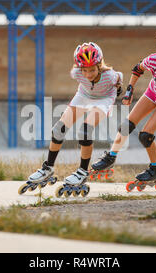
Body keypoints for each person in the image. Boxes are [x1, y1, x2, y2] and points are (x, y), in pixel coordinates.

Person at [91, 27, 156, 183]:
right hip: (152, 94)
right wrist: (129, 90)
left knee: (145, 136)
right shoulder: (153, 59)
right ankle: (110, 157)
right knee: (126, 125)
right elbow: (137, 70)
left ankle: (155, 169)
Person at [24, 42, 123, 196]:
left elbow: (120, 77)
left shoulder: (109, 76)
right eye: (85, 70)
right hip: (83, 96)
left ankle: (82, 171)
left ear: (99, 65)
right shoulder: (76, 73)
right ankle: (47, 167)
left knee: (85, 130)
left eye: (92, 70)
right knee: (58, 130)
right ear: (79, 68)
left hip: (104, 98)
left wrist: (120, 88)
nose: (88, 74)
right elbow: (81, 77)